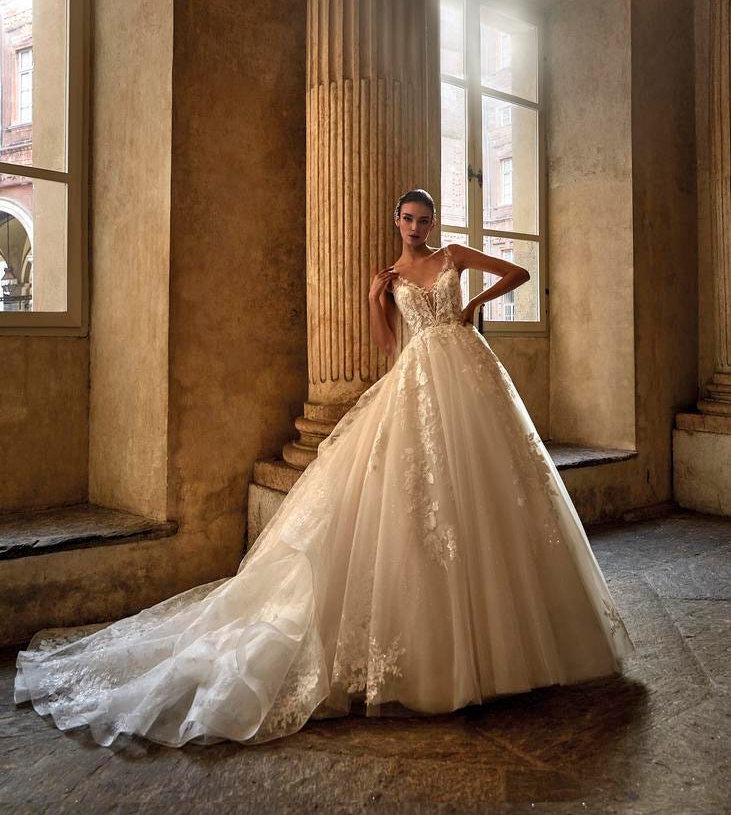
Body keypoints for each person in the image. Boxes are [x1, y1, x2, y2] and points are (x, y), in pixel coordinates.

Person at [14, 187, 634, 748]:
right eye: (409, 220)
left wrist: (473, 307)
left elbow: (521, 270)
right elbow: (390, 346)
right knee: (420, 500)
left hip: (469, 374)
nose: (417, 228)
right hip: (417, 380)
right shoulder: (390, 275)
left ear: (433, 222)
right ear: (396, 222)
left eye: (425, 220)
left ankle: (512, 646)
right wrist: (374, 299)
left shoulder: (454, 257)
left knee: (495, 492)